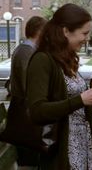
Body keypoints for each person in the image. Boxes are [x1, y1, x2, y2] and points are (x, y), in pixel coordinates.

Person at [25, 4, 92, 170]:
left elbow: (83, 106)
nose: (88, 38)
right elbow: (37, 111)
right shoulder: (42, 60)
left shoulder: (66, 60)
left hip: (82, 149)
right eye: (84, 33)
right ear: (65, 31)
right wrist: (80, 100)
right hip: (62, 155)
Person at [10, 16, 47, 170]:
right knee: (28, 162)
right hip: (25, 119)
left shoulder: (27, 51)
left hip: (26, 116)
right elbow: (29, 87)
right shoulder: (26, 52)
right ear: (39, 31)